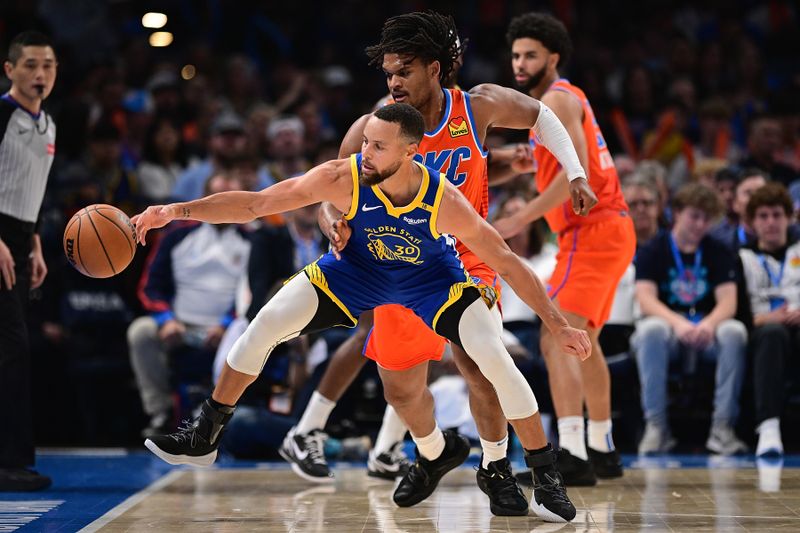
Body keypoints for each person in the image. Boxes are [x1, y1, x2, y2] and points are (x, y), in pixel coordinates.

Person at [134, 104, 591, 523]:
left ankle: (545, 473)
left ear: (411, 151)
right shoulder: (341, 177)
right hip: (355, 273)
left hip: (431, 282)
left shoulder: (443, 198)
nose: (365, 152)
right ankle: (206, 434)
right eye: (366, 141)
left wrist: (559, 324)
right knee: (266, 324)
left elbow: (509, 262)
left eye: (378, 145)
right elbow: (257, 203)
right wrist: (174, 210)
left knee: (493, 357)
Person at [280, 12, 597, 514]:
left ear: (435, 68)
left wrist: (575, 172)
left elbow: (543, 116)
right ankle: (432, 453)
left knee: (481, 361)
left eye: (404, 70)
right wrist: (332, 223)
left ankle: (498, 468)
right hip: (402, 260)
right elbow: (330, 195)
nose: (394, 82)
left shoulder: (479, 106)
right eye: (389, 73)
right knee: (401, 388)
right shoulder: (379, 126)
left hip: (468, 258)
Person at [491, 13, 635, 485]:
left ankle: (571, 452)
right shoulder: (564, 99)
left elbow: (580, 176)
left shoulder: (555, 98)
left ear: (552, 58)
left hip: (590, 230)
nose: (520, 63)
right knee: (583, 343)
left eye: (530, 54)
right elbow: (559, 166)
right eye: (515, 55)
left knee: (558, 338)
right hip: (611, 229)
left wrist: (521, 217)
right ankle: (602, 447)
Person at [128, 175, 251, 438]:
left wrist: (226, 325)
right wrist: (166, 319)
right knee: (140, 332)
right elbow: (150, 285)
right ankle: (160, 412)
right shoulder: (177, 235)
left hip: (228, 329)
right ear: (205, 201)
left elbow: (253, 294)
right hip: (179, 324)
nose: (224, 205)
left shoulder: (251, 240)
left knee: (252, 334)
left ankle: (226, 417)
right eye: (217, 199)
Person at [633, 183, 748, 455]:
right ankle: (657, 427)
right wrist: (679, 323)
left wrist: (708, 324)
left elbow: (728, 302)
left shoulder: (717, 250)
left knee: (735, 332)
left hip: (707, 329)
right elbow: (646, 299)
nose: (700, 224)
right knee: (651, 329)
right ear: (677, 213)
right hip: (671, 329)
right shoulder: (654, 249)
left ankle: (722, 429)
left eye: (706, 219)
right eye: (694, 216)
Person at [0, 30, 57, 492]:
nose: (40, 74)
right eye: (31, 65)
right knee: (12, 347)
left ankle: (15, 459)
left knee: (13, 349)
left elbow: (29, 190)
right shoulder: (2, 115)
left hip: (20, 238)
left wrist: (34, 241)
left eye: (49, 66)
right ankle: (10, 462)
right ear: (10, 70)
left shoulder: (48, 125)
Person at [738, 183, 800, 456]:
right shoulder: (741, 257)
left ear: (789, 217)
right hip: (761, 329)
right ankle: (768, 427)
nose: (771, 222)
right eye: (763, 216)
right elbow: (735, 311)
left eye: (777, 215)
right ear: (752, 222)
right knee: (773, 334)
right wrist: (765, 319)